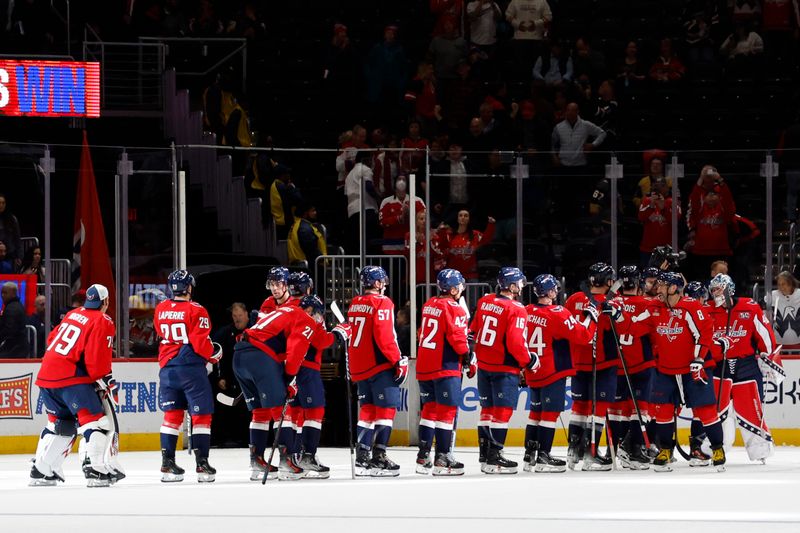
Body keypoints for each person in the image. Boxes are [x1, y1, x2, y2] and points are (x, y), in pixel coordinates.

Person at [625, 271, 726, 472]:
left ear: (673, 288)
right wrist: (619, 318)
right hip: (665, 369)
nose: (658, 289)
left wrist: (698, 359)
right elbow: (635, 325)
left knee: (705, 409)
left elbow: (704, 333)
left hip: (693, 368)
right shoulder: (654, 307)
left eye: (662, 285)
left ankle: (717, 448)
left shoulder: (691, 306)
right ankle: (665, 449)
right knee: (663, 411)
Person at [30, 284, 119, 487]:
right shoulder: (103, 320)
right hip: (71, 379)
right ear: (105, 302)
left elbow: (52, 339)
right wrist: (104, 377)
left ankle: (42, 471)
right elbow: (97, 357)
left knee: (59, 423)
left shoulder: (72, 314)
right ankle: (94, 469)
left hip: (46, 376)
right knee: (94, 421)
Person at [233, 293, 320, 481]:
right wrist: (289, 378)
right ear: (311, 311)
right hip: (261, 357)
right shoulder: (306, 319)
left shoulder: (284, 312)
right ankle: (287, 462)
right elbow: (296, 350)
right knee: (282, 409)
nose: (319, 320)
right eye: (319, 315)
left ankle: (256, 462)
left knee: (260, 412)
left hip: (240, 355)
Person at [522, 274, 595, 473]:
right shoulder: (558, 313)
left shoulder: (527, 310)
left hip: (533, 369)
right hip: (552, 370)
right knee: (549, 414)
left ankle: (529, 456)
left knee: (535, 412)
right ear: (552, 291)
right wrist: (591, 317)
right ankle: (544, 455)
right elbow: (583, 336)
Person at [154, 270, 222, 483]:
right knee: (201, 417)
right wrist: (213, 354)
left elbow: (161, 332)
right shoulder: (196, 310)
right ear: (189, 288)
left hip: (167, 368)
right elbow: (201, 343)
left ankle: (167, 464)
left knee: (172, 416)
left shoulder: (161, 308)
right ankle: (202, 464)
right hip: (190, 367)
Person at [469, 266, 536, 474]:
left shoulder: (485, 301)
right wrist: (528, 361)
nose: (522, 286)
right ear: (512, 285)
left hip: (484, 364)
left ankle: (485, 455)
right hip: (504, 366)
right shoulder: (517, 308)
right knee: (502, 412)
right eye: (520, 282)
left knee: (487, 410)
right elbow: (516, 343)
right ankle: (495, 456)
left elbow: (473, 331)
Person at [707, 274, 776, 463]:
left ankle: (760, 450)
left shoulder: (749, 307)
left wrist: (767, 355)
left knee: (750, 408)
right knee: (717, 409)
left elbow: (765, 334)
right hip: (719, 365)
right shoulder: (708, 310)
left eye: (718, 289)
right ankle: (713, 448)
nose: (715, 294)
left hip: (746, 365)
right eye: (713, 290)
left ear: (729, 289)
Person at [347, 266, 407, 476]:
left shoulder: (355, 303)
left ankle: (363, 457)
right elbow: (385, 336)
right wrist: (397, 360)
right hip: (378, 365)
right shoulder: (382, 302)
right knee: (386, 410)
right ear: (377, 283)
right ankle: (379, 456)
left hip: (360, 366)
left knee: (367, 410)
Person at [563, 263, 621, 471]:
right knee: (598, 408)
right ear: (607, 282)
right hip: (603, 362)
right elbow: (618, 328)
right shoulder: (611, 302)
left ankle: (573, 451)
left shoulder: (574, 298)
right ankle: (591, 454)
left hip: (578, 361)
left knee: (579, 407)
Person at [415, 268, 471, 475]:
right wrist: (467, 355)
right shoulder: (455, 308)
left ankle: (423, 456)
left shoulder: (429, 304)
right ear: (454, 288)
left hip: (424, 365)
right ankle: (442, 457)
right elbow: (457, 339)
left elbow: (423, 332)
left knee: (429, 410)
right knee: (446, 411)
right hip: (444, 366)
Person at [289, 293, 351, 478]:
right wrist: (340, 333)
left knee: (298, 412)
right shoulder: (306, 319)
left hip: (293, 369)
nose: (318, 316)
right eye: (316, 312)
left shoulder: (293, 317)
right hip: (307, 370)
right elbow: (321, 340)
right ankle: (307, 456)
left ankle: (293, 459)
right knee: (315, 411)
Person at [606, 266, 656, 469]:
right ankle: (634, 450)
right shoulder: (648, 304)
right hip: (642, 363)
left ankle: (618, 451)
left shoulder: (610, 304)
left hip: (616, 364)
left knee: (618, 411)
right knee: (640, 409)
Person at [210, 302, 252, 447]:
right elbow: (216, 352)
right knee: (224, 409)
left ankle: (248, 440)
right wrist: (219, 376)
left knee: (249, 411)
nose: (237, 319)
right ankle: (222, 439)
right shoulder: (225, 332)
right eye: (235, 316)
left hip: (250, 380)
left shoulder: (256, 331)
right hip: (230, 378)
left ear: (247, 315)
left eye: (240, 315)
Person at [442, 209, 496, 282]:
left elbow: (486, 239)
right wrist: (441, 230)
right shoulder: (449, 235)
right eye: (460, 215)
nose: (463, 217)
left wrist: (491, 225)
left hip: (471, 276)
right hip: (453, 276)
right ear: (457, 219)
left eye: (466, 216)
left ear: (469, 219)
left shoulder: (475, 235)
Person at [379, 175, 426, 255]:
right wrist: (399, 218)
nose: (401, 181)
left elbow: (425, 220)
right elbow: (382, 222)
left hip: (412, 247)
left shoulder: (417, 200)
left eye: (404, 179)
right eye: (399, 179)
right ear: (395, 183)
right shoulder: (386, 202)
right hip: (391, 248)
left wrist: (411, 216)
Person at [551, 102, 607, 168]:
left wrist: (593, 144)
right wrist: (554, 157)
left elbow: (602, 133)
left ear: (577, 112)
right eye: (568, 110)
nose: (570, 113)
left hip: (581, 164)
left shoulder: (585, 125)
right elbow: (552, 144)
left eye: (572, 110)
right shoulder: (558, 127)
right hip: (563, 164)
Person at [287, 201, 328, 268]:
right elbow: (310, 248)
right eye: (313, 211)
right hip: (310, 266)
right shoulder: (305, 228)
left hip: (301, 264)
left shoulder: (297, 224)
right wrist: (321, 258)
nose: (315, 213)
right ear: (305, 213)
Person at [768, 270, 800, 346]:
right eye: (779, 284)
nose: (781, 287)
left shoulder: (799, 293)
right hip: (778, 340)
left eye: (783, 284)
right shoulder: (773, 295)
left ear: (790, 284)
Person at [0, 281, 29, 357]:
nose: (2, 295)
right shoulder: (16, 305)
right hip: (18, 347)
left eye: (5, 293)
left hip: (14, 348)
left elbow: (9, 330)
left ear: (13, 293)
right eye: (1, 293)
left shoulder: (12, 308)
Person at [0, 193, 22, 267]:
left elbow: (17, 239)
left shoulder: (12, 219)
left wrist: (19, 256)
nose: (1, 205)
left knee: (7, 273)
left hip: (9, 254)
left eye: (3, 203)